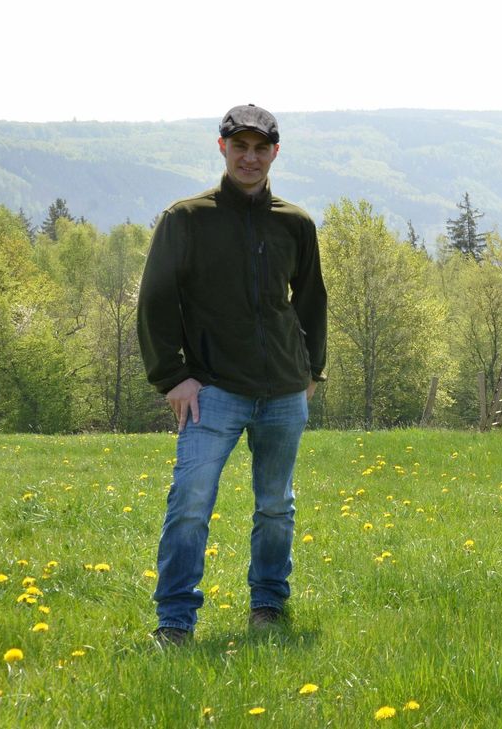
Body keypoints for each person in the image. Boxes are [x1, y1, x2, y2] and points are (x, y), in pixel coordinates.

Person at [137, 104, 327, 646]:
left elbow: (312, 300)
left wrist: (312, 369)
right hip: (211, 391)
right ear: (222, 148)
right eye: (239, 147)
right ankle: (175, 622)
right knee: (191, 502)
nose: (250, 157)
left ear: (274, 153)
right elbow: (155, 301)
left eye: (260, 148)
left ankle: (268, 606)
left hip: (285, 394)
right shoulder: (187, 219)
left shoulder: (295, 222)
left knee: (276, 506)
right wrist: (172, 377)